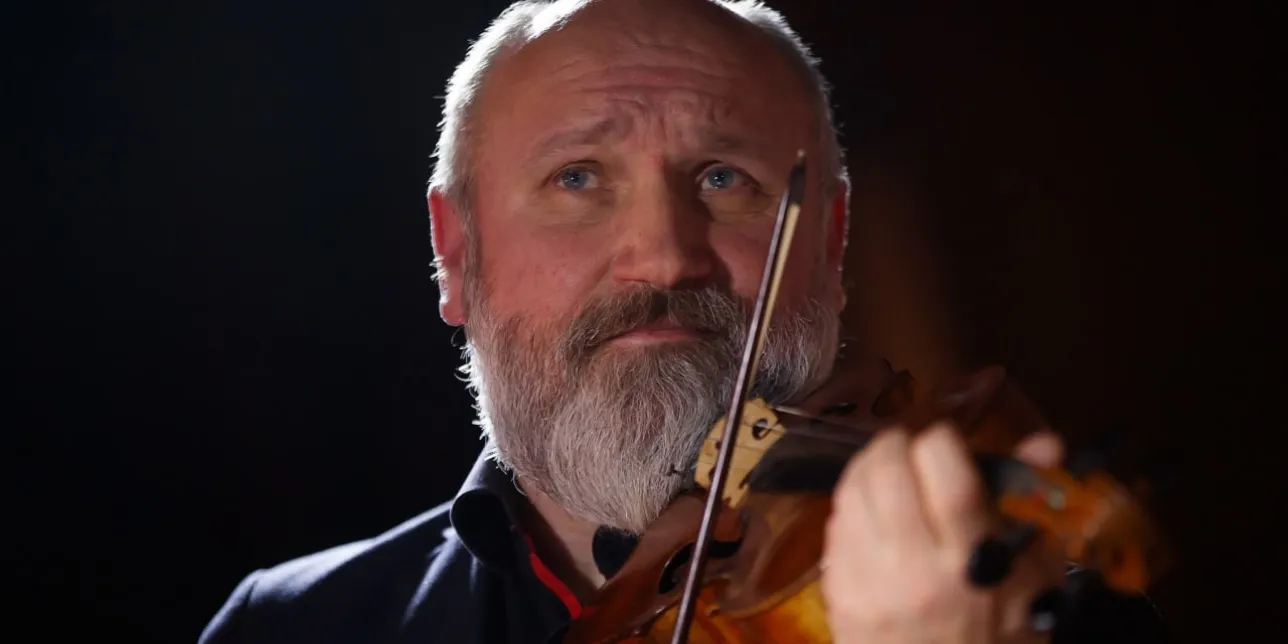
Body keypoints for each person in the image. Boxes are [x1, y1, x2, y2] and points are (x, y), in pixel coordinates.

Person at [199, 1, 1167, 642]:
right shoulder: (294, 625)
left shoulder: (1022, 590)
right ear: (455, 252)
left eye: (722, 178)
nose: (665, 255)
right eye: (577, 179)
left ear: (828, 245)